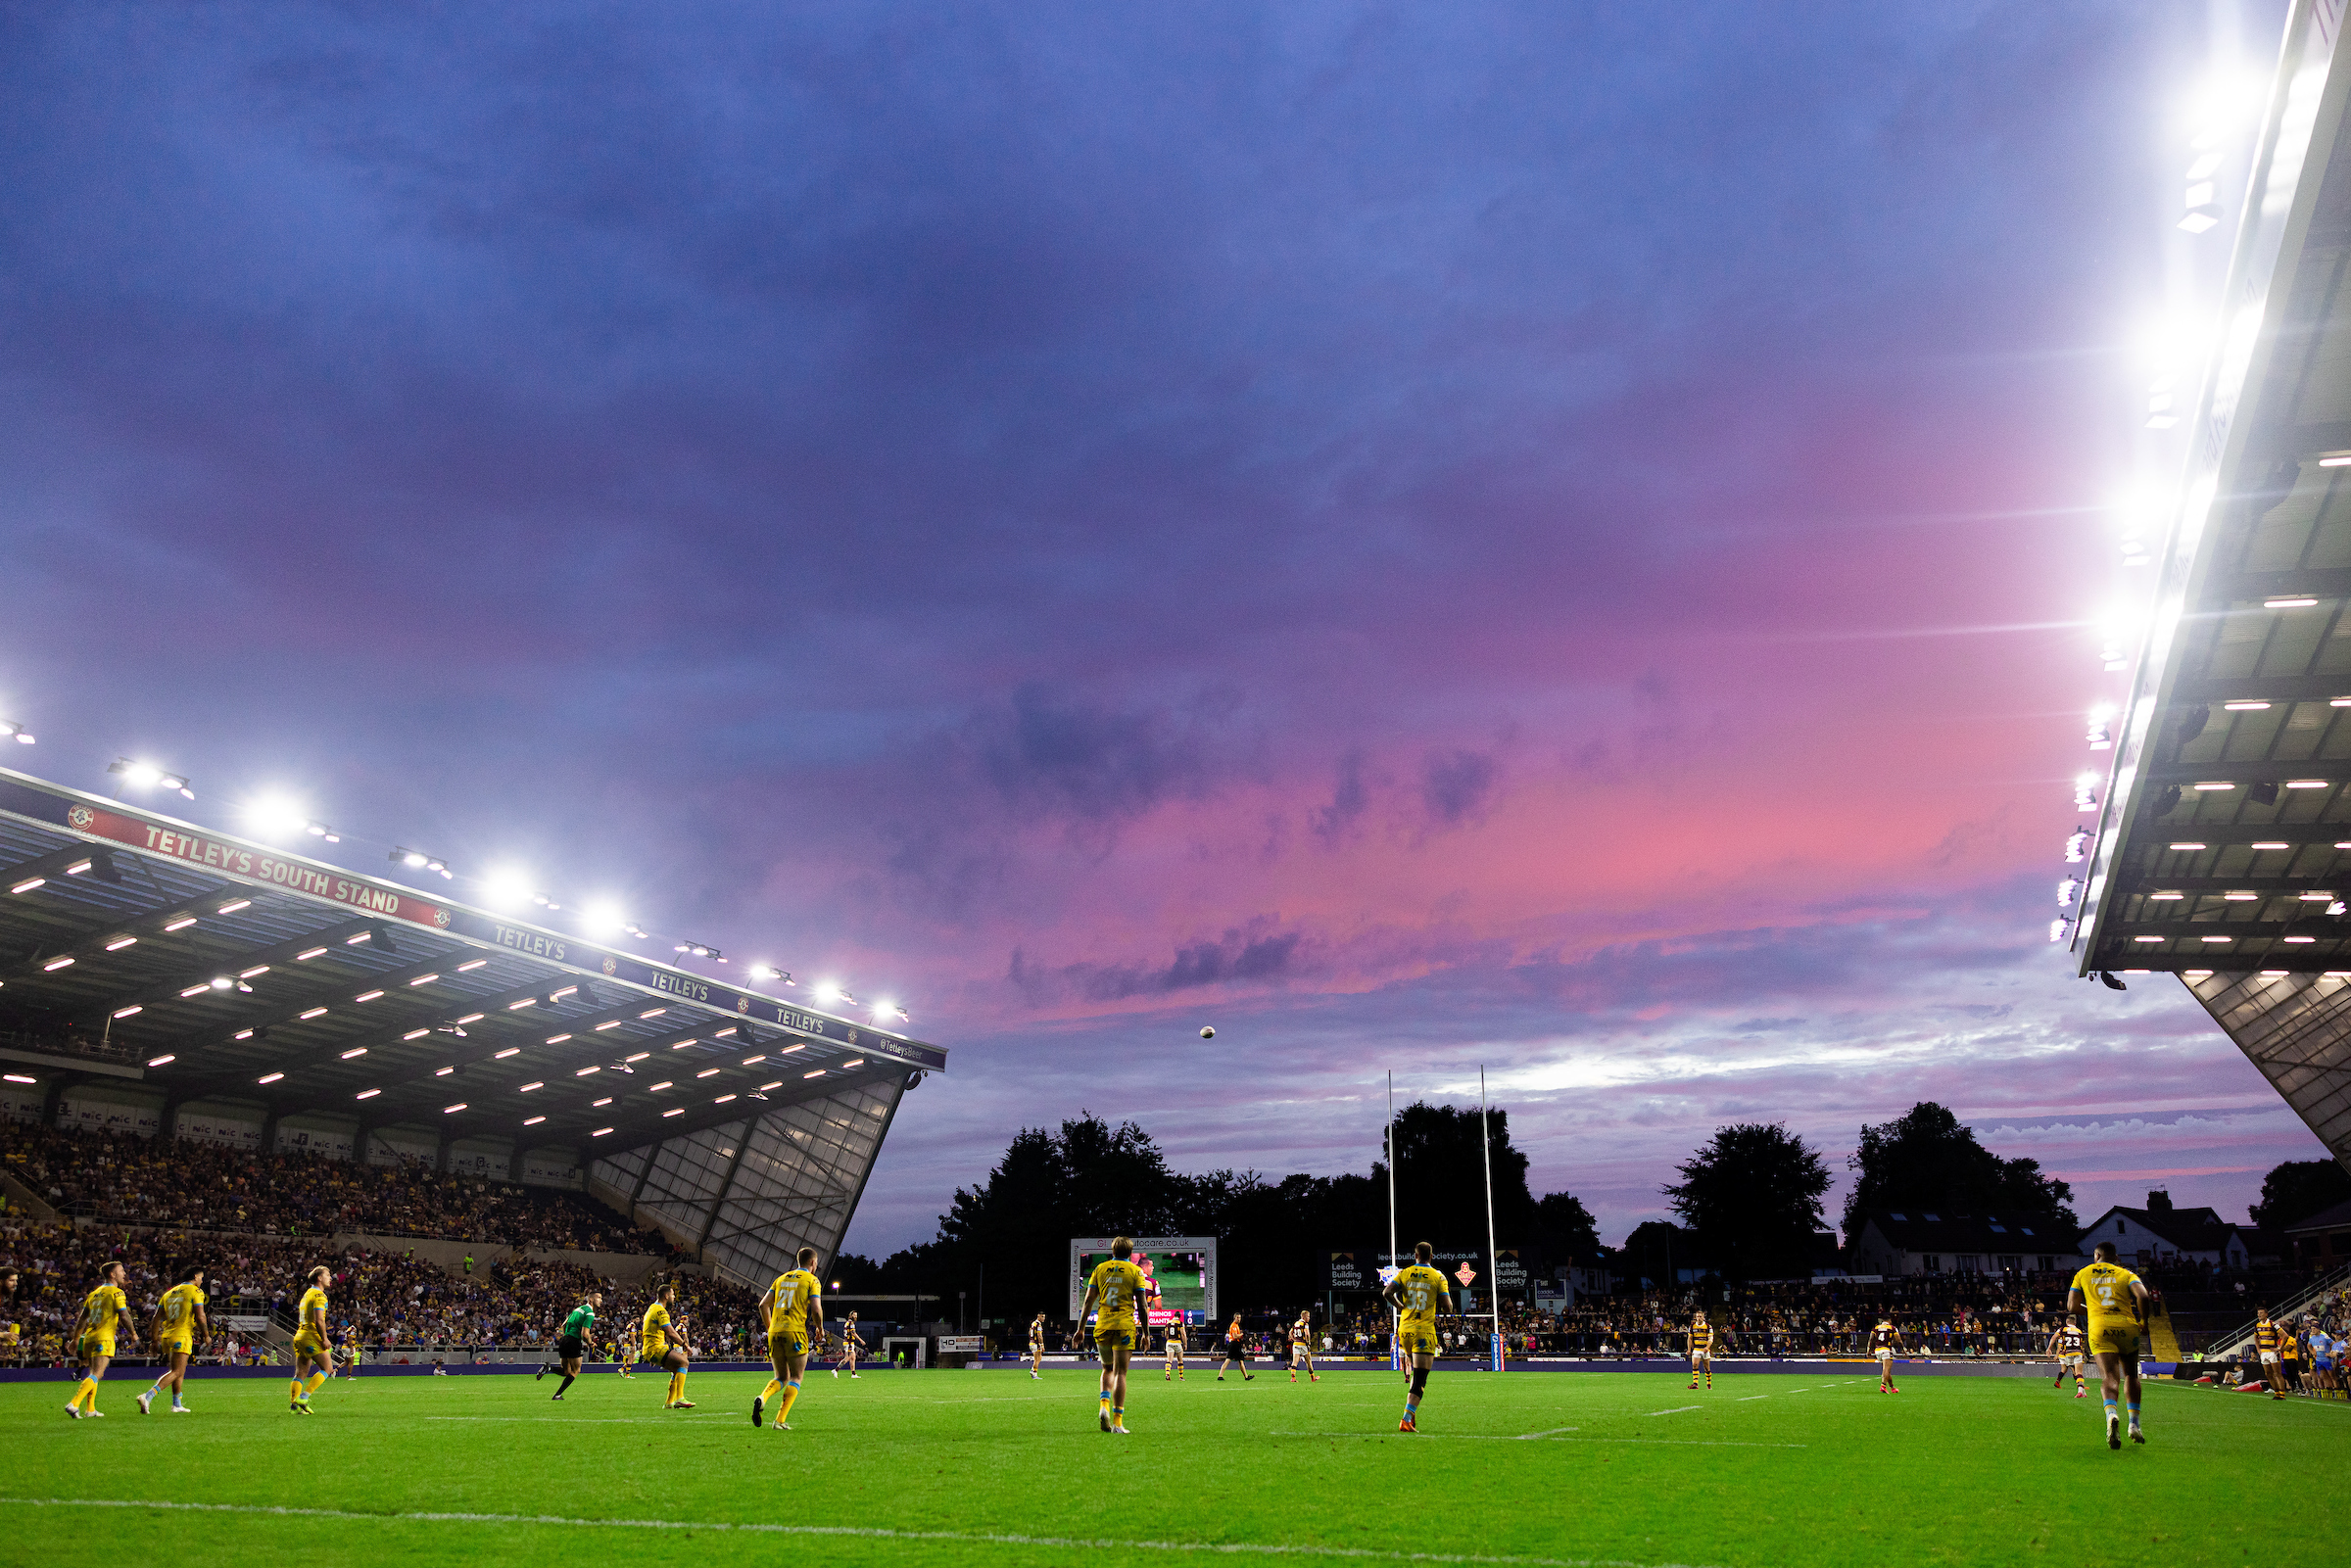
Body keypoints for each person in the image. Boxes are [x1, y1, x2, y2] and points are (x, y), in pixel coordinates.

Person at [2069, 1241, 2154, 1449]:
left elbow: (2071, 1305)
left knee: (2109, 1376)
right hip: (2126, 1326)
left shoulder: (2083, 1273)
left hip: (2100, 1328)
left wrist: (2091, 1310)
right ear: (2116, 1258)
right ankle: (2134, 1423)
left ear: (2097, 1256)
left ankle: (2112, 1414)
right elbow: (2143, 1295)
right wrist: (2144, 1321)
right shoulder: (2126, 1274)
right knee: (2132, 1375)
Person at [1077, 1235, 1148, 1433]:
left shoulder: (1100, 1269)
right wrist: (1146, 1333)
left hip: (1103, 1324)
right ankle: (1117, 1422)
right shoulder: (1136, 1271)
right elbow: (1142, 1306)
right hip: (1124, 1325)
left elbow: (1088, 1301)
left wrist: (1080, 1329)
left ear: (1113, 1251)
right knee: (1120, 1373)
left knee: (1107, 1369)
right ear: (1131, 1253)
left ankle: (1103, 1406)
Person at [753, 1247, 824, 1431]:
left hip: (775, 1332)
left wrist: (770, 1327)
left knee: (780, 1377)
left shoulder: (781, 1279)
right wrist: (819, 1328)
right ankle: (779, 1420)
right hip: (795, 1331)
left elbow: (763, 1305)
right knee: (796, 1377)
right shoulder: (812, 1280)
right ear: (813, 1262)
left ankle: (763, 1397)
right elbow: (816, 1309)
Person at [1383, 1242, 1451, 1433]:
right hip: (1423, 1331)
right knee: (1420, 1378)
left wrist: (1399, 1306)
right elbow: (1447, 1306)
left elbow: (1387, 1292)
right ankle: (1405, 1419)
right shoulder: (1438, 1276)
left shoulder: (1405, 1273)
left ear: (1415, 1255)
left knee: (1414, 1375)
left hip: (1404, 1329)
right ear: (1432, 1256)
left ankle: (1411, 1419)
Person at [67, 1259, 137, 1418]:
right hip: (103, 1337)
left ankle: (90, 1409)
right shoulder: (116, 1293)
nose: (124, 1274)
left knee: (92, 1372)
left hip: (89, 1337)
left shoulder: (94, 1293)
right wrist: (133, 1333)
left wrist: (76, 1339)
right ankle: (74, 1403)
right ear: (112, 1274)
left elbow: (82, 1318)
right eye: (121, 1271)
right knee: (97, 1373)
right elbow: (124, 1315)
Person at [139, 1264, 210, 1414]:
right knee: (177, 1371)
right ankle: (148, 1396)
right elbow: (200, 1315)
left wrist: (154, 1340)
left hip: (167, 1335)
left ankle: (177, 1404)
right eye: (201, 1278)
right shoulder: (195, 1291)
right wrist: (206, 1334)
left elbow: (156, 1318)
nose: (202, 1281)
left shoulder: (169, 1293)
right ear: (196, 1277)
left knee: (178, 1370)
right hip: (182, 1334)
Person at [283, 1265, 336, 1414]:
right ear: (319, 1278)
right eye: (328, 1275)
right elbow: (319, 1320)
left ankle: (294, 1406)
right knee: (327, 1368)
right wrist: (324, 1339)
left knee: (300, 1373)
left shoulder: (307, 1294)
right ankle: (304, 1397)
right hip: (311, 1336)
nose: (330, 1278)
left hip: (300, 1335)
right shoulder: (319, 1296)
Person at [540, 1290, 601, 1401]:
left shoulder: (577, 1310)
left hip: (565, 1340)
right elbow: (585, 1334)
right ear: (591, 1299)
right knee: (575, 1371)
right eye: (599, 1298)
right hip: (574, 1341)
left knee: (566, 1371)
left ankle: (548, 1367)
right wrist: (591, 1343)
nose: (601, 1300)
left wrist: (567, 1336)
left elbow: (563, 1325)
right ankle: (557, 1395)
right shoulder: (590, 1313)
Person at [642, 1283, 695, 1408]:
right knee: (683, 1362)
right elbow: (670, 1332)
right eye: (672, 1294)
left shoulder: (652, 1308)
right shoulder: (661, 1311)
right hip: (655, 1348)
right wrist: (685, 1345)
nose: (674, 1297)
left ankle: (669, 1402)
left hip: (651, 1348)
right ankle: (680, 1398)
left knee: (676, 1369)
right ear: (666, 1296)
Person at [2046, 1317, 2088, 1399]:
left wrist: (2049, 1348)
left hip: (2068, 1354)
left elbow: (2054, 1337)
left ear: (2067, 1322)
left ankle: (2082, 1392)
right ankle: (2081, 1391)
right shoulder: (2079, 1331)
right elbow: (2082, 1343)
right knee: (2078, 1372)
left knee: (2073, 1371)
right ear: (2075, 1323)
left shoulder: (2063, 1329)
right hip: (2077, 1352)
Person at [1867, 1314, 1904, 1394]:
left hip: (1877, 1351)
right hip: (1886, 1350)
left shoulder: (1876, 1327)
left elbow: (1871, 1339)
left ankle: (1892, 1388)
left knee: (1887, 1371)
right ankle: (1883, 1386)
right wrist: (1903, 1349)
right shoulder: (1892, 1328)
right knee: (1886, 1369)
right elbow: (1899, 1340)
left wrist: (1868, 1350)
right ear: (1889, 1320)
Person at [2253, 1309, 2284, 1400]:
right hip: (2263, 1352)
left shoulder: (2272, 1324)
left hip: (2272, 1352)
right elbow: (2255, 1337)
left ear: (2266, 1314)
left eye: (2261, 1313)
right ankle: (2277, 1392)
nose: (2259, 1315)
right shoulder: (2257, 1325)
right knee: (2268, 1373)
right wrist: (2258, 1349)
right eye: (2258, 1313)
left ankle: (2282, 1393)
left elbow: (2284, 1335)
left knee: (2277, 1373)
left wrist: (2279, 1348)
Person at [1686, 1308, 1715, 1392]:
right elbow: (1690, 1338)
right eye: (1697, 1317)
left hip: (1705, 1349)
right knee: (1695, 1365)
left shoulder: (1708, 1326)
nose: (1699, 1318)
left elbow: (1711, 1339)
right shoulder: (1692, 1326)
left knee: (1707, 1367)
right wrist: (1689, 1349)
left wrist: (1707, 1347)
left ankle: (1709, 1384)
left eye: (1700, 1316)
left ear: (1703, 1317)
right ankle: (1695, 1383)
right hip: (1696, 1349)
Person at [1218, 1313, 1253, 1382]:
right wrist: (1242, 1334)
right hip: (1234, 1344)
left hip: (1236, 1344)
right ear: (1234, 1318)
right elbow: (1235, 1336)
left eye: (1240, 1318)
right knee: (1230, 1360)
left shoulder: (1236, 1326)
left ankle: (1246, 1376)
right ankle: (1220, 1375)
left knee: (1239, 1360)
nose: (1239, 1319)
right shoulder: (1234, 1325)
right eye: (1237, 1317)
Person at [832, 1311, 864, 1379]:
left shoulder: (847, 1323)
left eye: (856, 1315)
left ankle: (853, 1374)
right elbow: (853, 1333)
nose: (855, 1317)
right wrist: (861, 1340)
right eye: (854, 1315)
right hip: (849, 1342)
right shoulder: (851, 1323)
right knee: (848, 1357)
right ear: (851, 1315)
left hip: (849, 1342)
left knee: (853, 1357)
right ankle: (836, 1370)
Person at [1290, 1308, 1319, 1384]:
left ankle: (1293, 1378)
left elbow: (1290, 1332)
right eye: (1308, 1317)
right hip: (1303, 1344)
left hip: (1296, 1344)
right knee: (1308, 1361)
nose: (1309, 1318)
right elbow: (1307, 1334)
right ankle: (1312, 1377)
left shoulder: (1296, 1323)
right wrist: (1308, 1342)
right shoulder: (1305, 1324)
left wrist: (1294, 1339)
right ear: (1304, 1317)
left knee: (1295, 1361)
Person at [1163, 1317, 1186, 1381]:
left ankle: (1167, 1374)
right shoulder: (1180, 1323)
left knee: (1169, 1360)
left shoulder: (1168, 1323)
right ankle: (1181, 1377)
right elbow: (1183, 1334)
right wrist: (1185, 1343)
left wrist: (1168, 1339)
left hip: (1169, 1342)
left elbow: (1165, 1333)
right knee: (1180, 1360)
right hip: (1177, 1342)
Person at [1029, 1312, 1047, 1380]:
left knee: (1039, 1358)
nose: (1044, 1318)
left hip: (1031, 1343)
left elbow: (1029, 1332)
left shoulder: (1033, 1323)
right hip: (1036, 1344)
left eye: (1044, 1317)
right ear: (1038, 1316)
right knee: (1037, 1359)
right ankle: (1034, 1373)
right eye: (1042, 1317)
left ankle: (1033, 1370)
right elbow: (1039, 1335)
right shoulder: (1038, 1325)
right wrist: (1042, 1344)